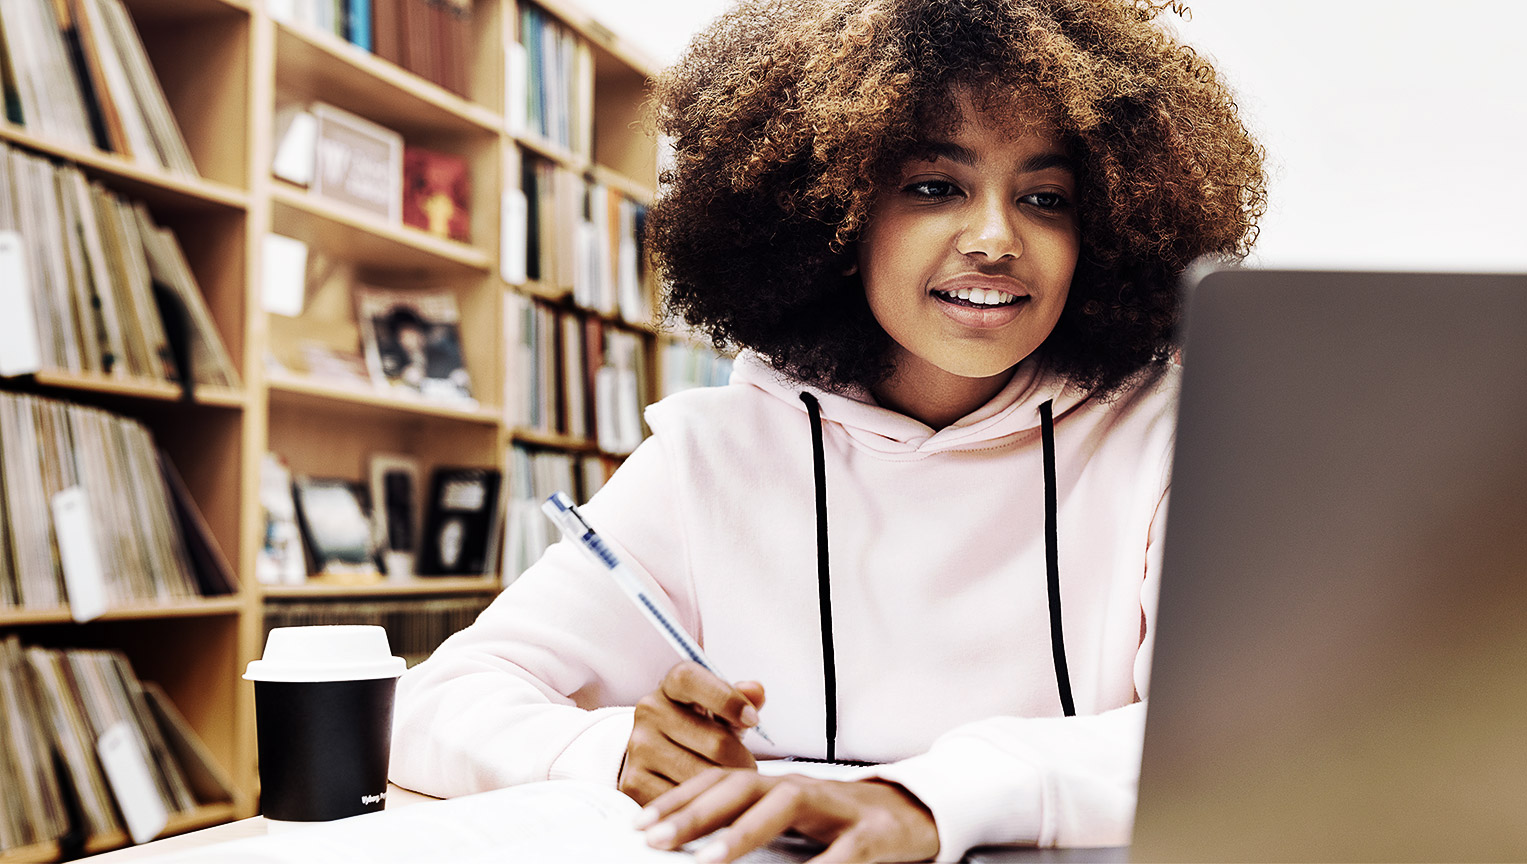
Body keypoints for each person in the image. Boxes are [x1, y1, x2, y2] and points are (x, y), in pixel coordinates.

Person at [389, 0, 1265, 860]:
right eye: (934, 187)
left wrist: (921, 801)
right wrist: (623, 751)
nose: (997, 238)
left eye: (1045, 198)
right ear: (836, 215)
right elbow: (434, 704)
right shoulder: (711, 456)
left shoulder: (1172, 439)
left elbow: (1239, 738)